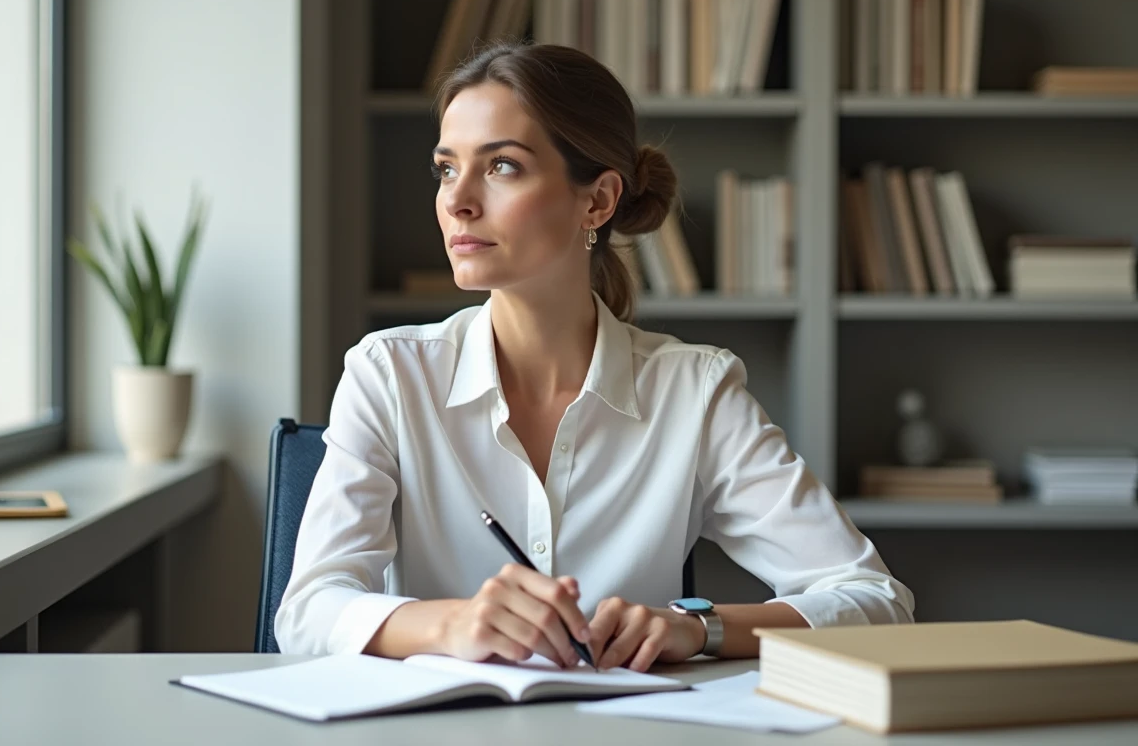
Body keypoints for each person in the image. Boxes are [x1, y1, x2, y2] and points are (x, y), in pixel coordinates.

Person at [274, 41, 914, 672]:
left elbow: (878, 603)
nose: (457, 200)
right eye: (446, 168)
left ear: (598, 201)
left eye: (501, 167)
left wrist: (696, 628)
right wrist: (452, 622)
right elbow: (307, 610)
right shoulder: (389, 375)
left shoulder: (693, 392)